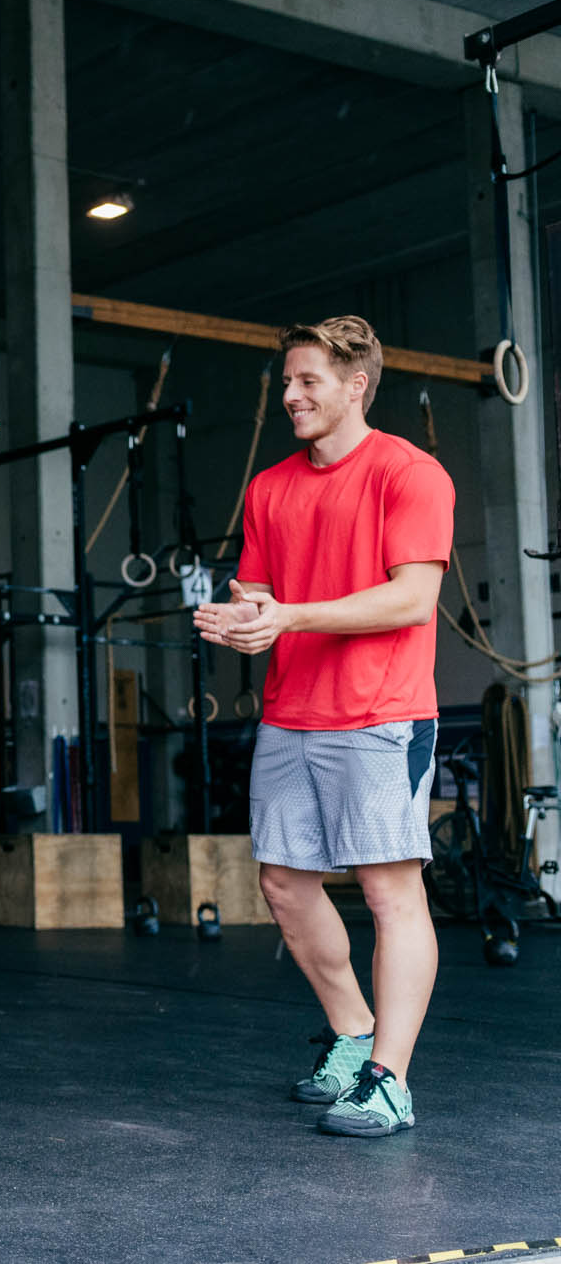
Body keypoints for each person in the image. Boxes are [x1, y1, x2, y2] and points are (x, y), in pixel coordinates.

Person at [194, 315, 452, 1139]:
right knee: (283, 884)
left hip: (381, 714)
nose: (291, 396)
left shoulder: (411, 474)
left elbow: (412, 597)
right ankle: (353, 1031)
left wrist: (291, 614)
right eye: (287, 383)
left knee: (387, 889)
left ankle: (390, 1081)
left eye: (307, 382)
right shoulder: (269, 487)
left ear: (355, 386)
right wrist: (235, 619)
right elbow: (262, 598)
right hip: (291, 714)